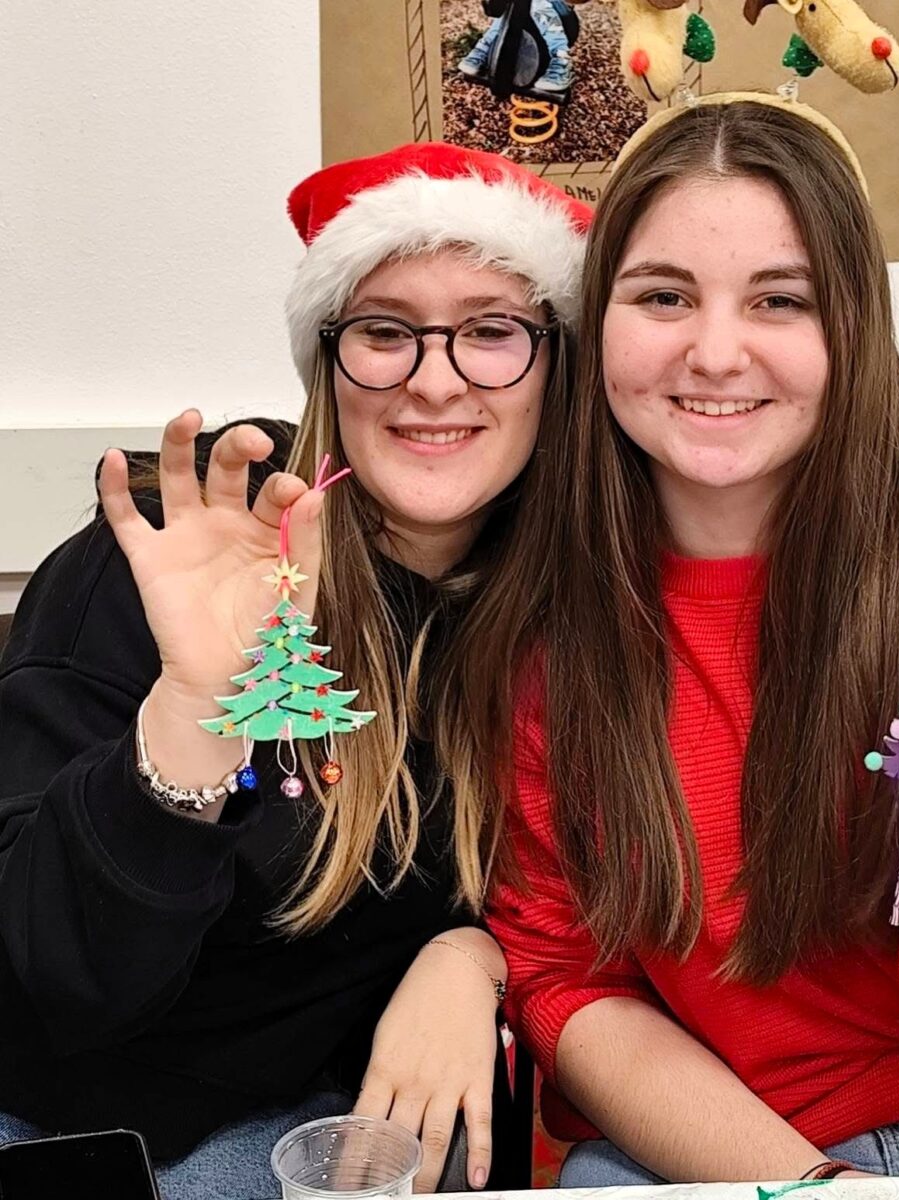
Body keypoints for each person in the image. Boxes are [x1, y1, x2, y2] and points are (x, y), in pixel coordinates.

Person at [462, 93, 899, 1184]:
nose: (716, 353)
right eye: (663, 296)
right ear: (597, 320)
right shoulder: (535, 614)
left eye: (779, 300)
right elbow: (570, 983)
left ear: (851, 325)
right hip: (698, 1139)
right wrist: (813, 1188)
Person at [0, 142, 590, 1200]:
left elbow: (581, 903)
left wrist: (472, 956)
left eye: (491, 332)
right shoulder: (187, 552)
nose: (434, 381)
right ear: (328, 362)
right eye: (384, 332)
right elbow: (53, 988)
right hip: (63, 1123)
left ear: (556, 366)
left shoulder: (565, 612)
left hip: (314, 1136)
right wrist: (192, 718)